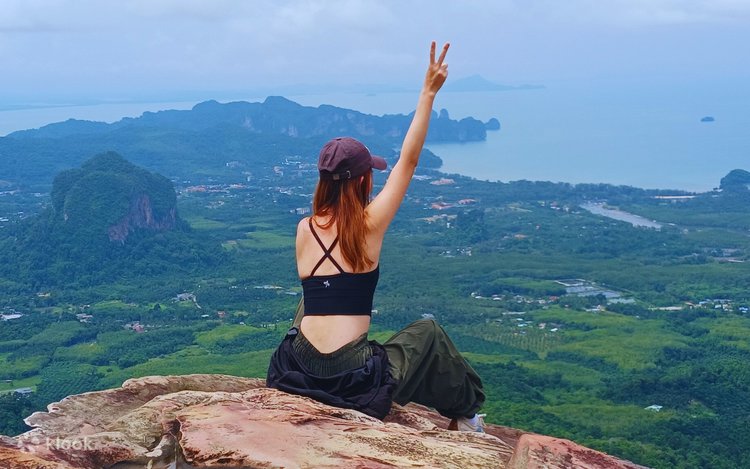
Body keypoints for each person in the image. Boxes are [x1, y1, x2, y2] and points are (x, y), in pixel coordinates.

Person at [267, 42, 485, 431]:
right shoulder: (369, 224)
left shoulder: (304, 228)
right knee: (428, 333)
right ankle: (468, 417)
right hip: (350, 380)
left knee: (311, 298)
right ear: (362, 180)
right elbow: (408, 161)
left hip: (297, 367)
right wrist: (428, 93)